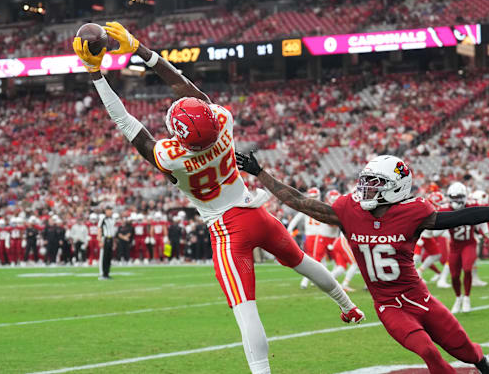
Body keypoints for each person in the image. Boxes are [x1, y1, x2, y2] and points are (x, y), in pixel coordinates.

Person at [73, 22, 363, 374]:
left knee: (246, 310)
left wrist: (96, 75)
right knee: (301, 260)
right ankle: (347, 306)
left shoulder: (172, 157)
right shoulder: (222, 121)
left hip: (228, 231)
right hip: (257, 213)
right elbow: (186, 86)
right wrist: (139, 47)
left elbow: (128, 125)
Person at [237, 151, 489, 374]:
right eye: (366, 181)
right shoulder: (349, 210)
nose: (366, 188)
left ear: (394, 187)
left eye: (374, 183)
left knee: (467, 351)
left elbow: (461, 216)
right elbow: (299, 202)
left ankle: (484, 366)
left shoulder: (413, 213)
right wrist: (260, 173)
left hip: (421, 298)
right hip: (390, 306)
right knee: (427, 351)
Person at [441, 182, 489, 313]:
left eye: (459, 197)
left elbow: (483, 219)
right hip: (454, 245)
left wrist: (486, 234)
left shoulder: (472, 206)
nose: (456, 200)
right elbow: (435, 228)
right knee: (454, 276)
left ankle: (467, 298)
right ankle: (458, 298)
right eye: (454, 197)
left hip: (469, 243)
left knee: (467, 269)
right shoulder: (445, 209)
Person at [287, 187, 341, 289]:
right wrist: (289, 229)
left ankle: (316, 280)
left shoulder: (313, 206)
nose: (313, 198)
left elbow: (296, 219)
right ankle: (307, 281)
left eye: (314, 197)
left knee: (318, 259)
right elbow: (297, 218)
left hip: (319, 236)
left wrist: (289, 229)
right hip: (315, 236)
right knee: (315, 259)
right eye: (312, 197)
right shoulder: (320, 206)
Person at [98, 207, 117, 280]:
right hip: (105, 238)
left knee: (109, 257)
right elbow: (99, 229)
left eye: (111, 211)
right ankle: (102, 273)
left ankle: (107, 273)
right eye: (109, 211)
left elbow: (113, 231)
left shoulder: (113, 219)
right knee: (103, 257)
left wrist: (114, 242)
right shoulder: (103, 219)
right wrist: (100, 240)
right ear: (106, 211)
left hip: (111, 238)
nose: (110, 212)